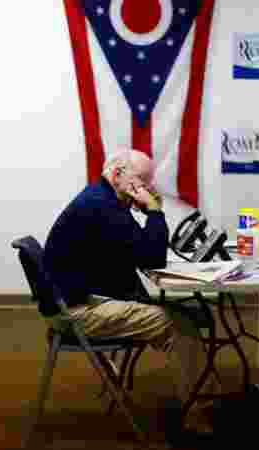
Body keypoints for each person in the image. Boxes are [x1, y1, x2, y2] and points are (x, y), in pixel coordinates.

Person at [42, 148, 219, 435]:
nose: (146, 189)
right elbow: (151, 257)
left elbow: (139, 248)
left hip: (78, 300)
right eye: (141, 182)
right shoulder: (102, 205)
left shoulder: (103, 199)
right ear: (116, 173)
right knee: (177, 324)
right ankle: (199, 412)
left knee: (175, 315)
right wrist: (154, 210)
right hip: (77, 312)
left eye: (148, 184)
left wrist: (148, 211)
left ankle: (204, 399)